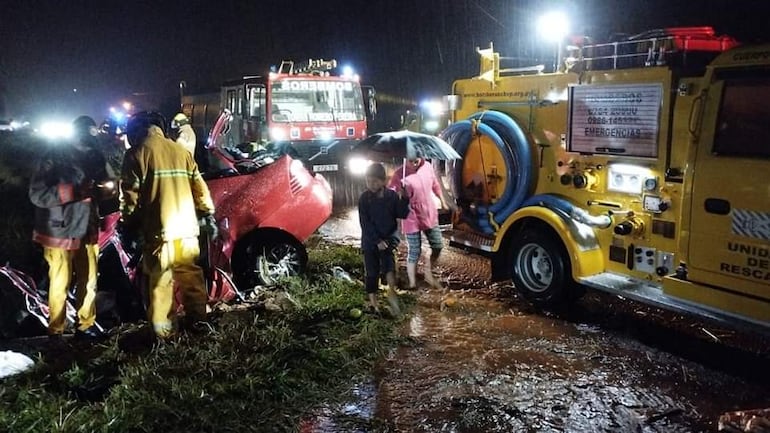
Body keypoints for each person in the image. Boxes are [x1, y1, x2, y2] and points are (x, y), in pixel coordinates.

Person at [120, 111, 217, 338]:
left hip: (158, 233)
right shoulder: (180, 152)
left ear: (134, 130)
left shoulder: (136, 154)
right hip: (186, 230)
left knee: (160, 284)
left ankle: (165, 337)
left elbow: (129, 198)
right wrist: (207, 215)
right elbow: (200, 189)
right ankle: (199, 324)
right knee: (191, 278)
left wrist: (128, 226)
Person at [28, 138, 104, 340]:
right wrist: (71, 191)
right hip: (59, 232)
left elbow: (106, 183)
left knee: (89, 280)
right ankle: (56, 330)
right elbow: (37, 194)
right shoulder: (52, 157)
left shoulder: (96, 157)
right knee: (60, 281)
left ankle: (86, 325)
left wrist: (106, 190)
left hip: (87, 228)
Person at [388, 156, 447, 290]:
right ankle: (413, 282)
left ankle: (428, 272)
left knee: (438, 245)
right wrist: (399, 195)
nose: (414, 162)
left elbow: (435, 185)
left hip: (428, 213)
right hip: (410, 215)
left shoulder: (427, 167)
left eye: (417, 159)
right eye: (411, 160)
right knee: (415, 250)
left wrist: (442, 200)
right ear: (405, 157)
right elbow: (390, 192)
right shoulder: (399, 173)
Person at [359, 163, 409, 314]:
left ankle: (392, 293)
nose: (371, 184)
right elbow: (364, 223)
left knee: (389, 268)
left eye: (374, 181)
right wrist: (376, 241)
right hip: (370, 241)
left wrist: (404, 198)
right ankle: (374, 304)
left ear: (383, 181)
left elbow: (402, 214)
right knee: (372, 272)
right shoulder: (364, 199)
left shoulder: (392, 196)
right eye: (368, 181)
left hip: (388, 238)